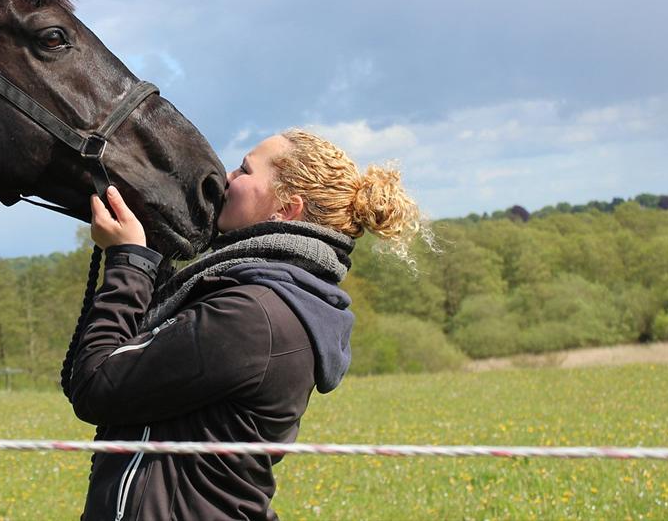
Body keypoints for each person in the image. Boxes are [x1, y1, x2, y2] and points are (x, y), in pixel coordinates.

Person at [64, 129, 425, 520]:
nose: (228, 178)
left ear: (286, 209)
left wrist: (129, 261)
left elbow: (97, 384)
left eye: (245, 170)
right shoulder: (266, 301)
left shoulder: (252, 317)